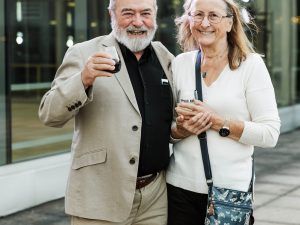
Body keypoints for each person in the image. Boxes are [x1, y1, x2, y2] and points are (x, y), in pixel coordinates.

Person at [38, 0, 174, 224]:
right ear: (112, 14)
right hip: (100, 196)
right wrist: (83, 78)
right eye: (128, 13)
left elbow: (166, 120)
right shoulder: (83, 53)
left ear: (155, 15)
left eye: (145, 13)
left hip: (155, 198)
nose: (138, 22)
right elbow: (49, 114)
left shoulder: (164, 56)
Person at [166, 0, 281, 224]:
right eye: (197, 14)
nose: (205, 22)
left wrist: (217, 121)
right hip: (179, 188)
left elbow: (270, 133)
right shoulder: (180, 64)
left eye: (214, 16)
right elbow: (168, 129)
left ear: (230, 23)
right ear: (189, 21)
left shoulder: (251, 66)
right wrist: (180, 130)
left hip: (230, 193)